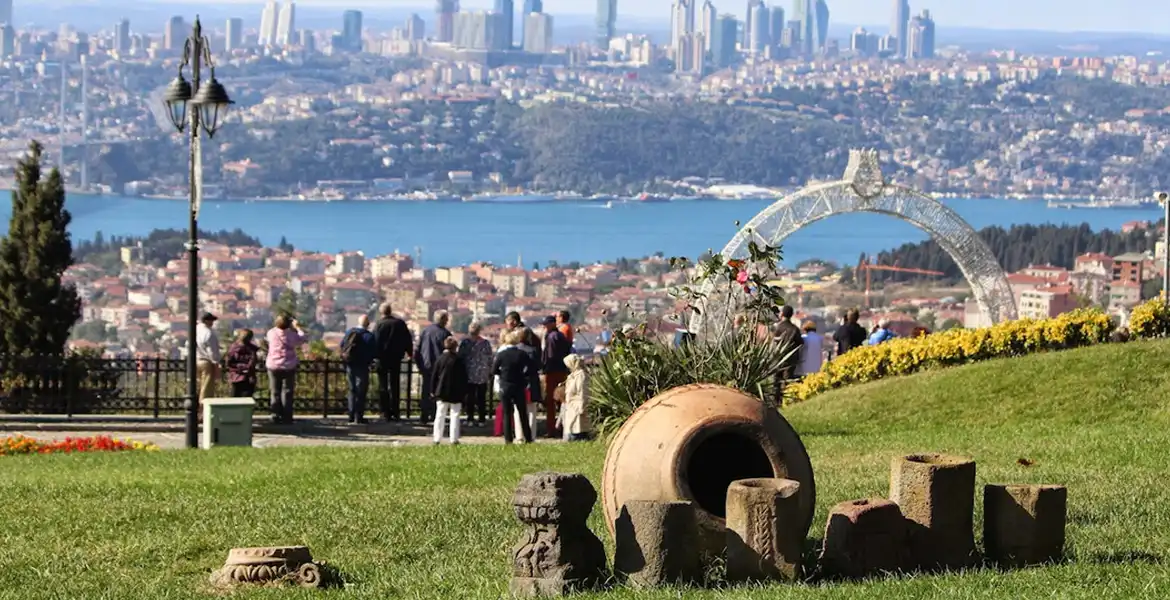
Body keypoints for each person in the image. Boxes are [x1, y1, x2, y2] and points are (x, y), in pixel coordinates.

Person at [492, 329, 536, 444]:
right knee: (522, 412)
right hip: (519, 385)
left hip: (505, 385)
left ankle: (508, 438)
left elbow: (494, 370)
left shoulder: (502, 354)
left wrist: (502, 375)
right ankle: (528, 437)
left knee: (507, 413)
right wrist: (524, 376)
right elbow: (531, 368)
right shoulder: (522, 354)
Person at [374, 303, 413, 422]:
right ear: (390, 311)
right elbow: (407, 339)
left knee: (383, 386)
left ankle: (384, 412)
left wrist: (374, 356)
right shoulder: (399, 324)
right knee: (395, 385)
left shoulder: (379, 324)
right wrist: (409, 353)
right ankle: (395, 412)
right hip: (396, 358)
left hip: (382, 358)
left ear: (382, 312)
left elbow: (375, 341)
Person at [266, 314, 307, 424]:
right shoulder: (292, 335)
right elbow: (303, 338)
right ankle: (287, 416)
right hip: (289, 365)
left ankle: (275, 414)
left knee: (275, 391)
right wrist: (297, 327)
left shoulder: (271, 333)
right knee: (287, 392)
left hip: (273, 365)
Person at [416, 311, 452, 424]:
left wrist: (419, 365)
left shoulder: (425, 331)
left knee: (426, 391)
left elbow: (417, 349)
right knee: (438, 392)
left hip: (426, 365)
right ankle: (435, 415)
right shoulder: (445, 334)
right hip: (440, 367)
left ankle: (424, 415)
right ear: (444, 320)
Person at [431, 336, 469, 445]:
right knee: (455, 414)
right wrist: (464, 391)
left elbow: (434, 376)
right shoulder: (459, 360)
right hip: (456, 391)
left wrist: (433, 389)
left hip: (441, 390)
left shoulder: (440, 359)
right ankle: (454, 438)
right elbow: (463, 377)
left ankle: (437, 438)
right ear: (455, 347)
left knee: (440, 414)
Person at [341, 315, 377, 424]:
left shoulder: (349, 332)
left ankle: (351, 415)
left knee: (352, 390)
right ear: (368, 324)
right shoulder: (369, 336)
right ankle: (359, 416)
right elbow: (373, 351)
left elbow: (342, 345)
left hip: (350, 364)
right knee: (361, 391)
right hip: (362, 365)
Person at [541, 315, 572, 439]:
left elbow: (550, 356)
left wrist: (545, 368)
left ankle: (552, 429)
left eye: (546, 325)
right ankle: (562, 427)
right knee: (562, 400)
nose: (544, 327)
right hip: (562, 371)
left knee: (550, 402)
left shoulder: (552, 337)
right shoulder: (561, 336)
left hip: (552, 372)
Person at [458, 322, 493, 426]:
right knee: (481, 397)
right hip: (482, 373)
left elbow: (460, 357)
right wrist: (490, 370)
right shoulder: (485, 343)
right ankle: (482, 419)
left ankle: (470, 418)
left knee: (470, 397)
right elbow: (490, 358)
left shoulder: (465, 343)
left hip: (469, 373)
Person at [559, 354, 593, 442]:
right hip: (571, 410)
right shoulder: (572, 375)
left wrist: (581, 408)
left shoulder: (581, 376)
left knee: (576, 434)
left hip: (578, 412)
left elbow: (583, 393)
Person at [516, 326, 543, 434]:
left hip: (519, 381)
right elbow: (539, 365)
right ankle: (532, 434)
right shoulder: (534, 350)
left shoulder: (516, 349)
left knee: (518, 410)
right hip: (532, 380)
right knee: (532, 409)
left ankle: (519, 434)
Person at [772, 305, 804, 382]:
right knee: (788, 380)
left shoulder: (778, 328)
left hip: (778, 357)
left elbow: (773, 340)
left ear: (782, 314)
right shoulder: (794, 329)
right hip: (791, 359)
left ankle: (777, 393)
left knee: (777, 380)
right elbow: (800, 342)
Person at [224, 329, 259, 398]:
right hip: (248, 377)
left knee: (234, 398)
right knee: (246, 399)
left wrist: (238, 367)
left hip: (235, 376)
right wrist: (246, 367)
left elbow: (228, 362)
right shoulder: (252, 349)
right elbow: (253, 362)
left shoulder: (233, 348)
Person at [195, 312, 222, 401]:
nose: (212, 323)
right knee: (206, 387)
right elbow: (212, 351)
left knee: (197, 386)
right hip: (206, 362)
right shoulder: (209, 333)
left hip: (195, 360)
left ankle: (196, 404)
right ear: (206, 321)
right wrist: (216, 363)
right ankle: (203, 406)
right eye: (211, 321)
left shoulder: (195, 330)